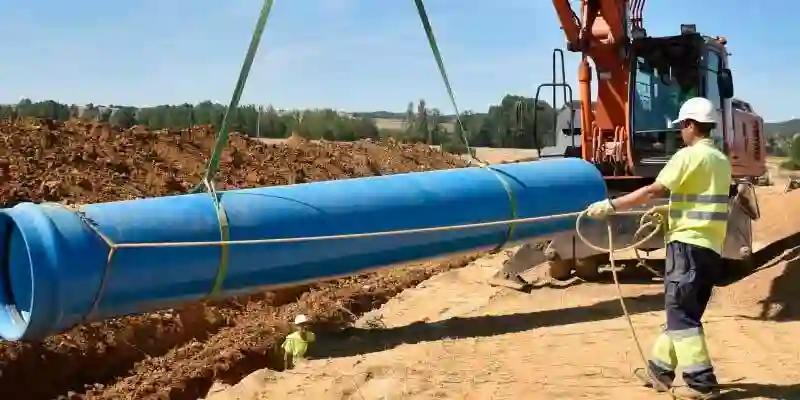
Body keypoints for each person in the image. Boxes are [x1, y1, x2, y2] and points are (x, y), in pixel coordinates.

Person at [586, 97, 731, 399]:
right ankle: (659, 372)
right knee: (684, 314)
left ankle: (702, 383)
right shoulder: (720, 160)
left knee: (681, 315)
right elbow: (700, 199)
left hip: (687, 246)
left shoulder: (687, 156)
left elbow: (654, 189)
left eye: (682, 127)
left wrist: (611, 205)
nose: (681, 132)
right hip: (710, 248)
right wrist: (670, 212)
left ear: (691, 125)